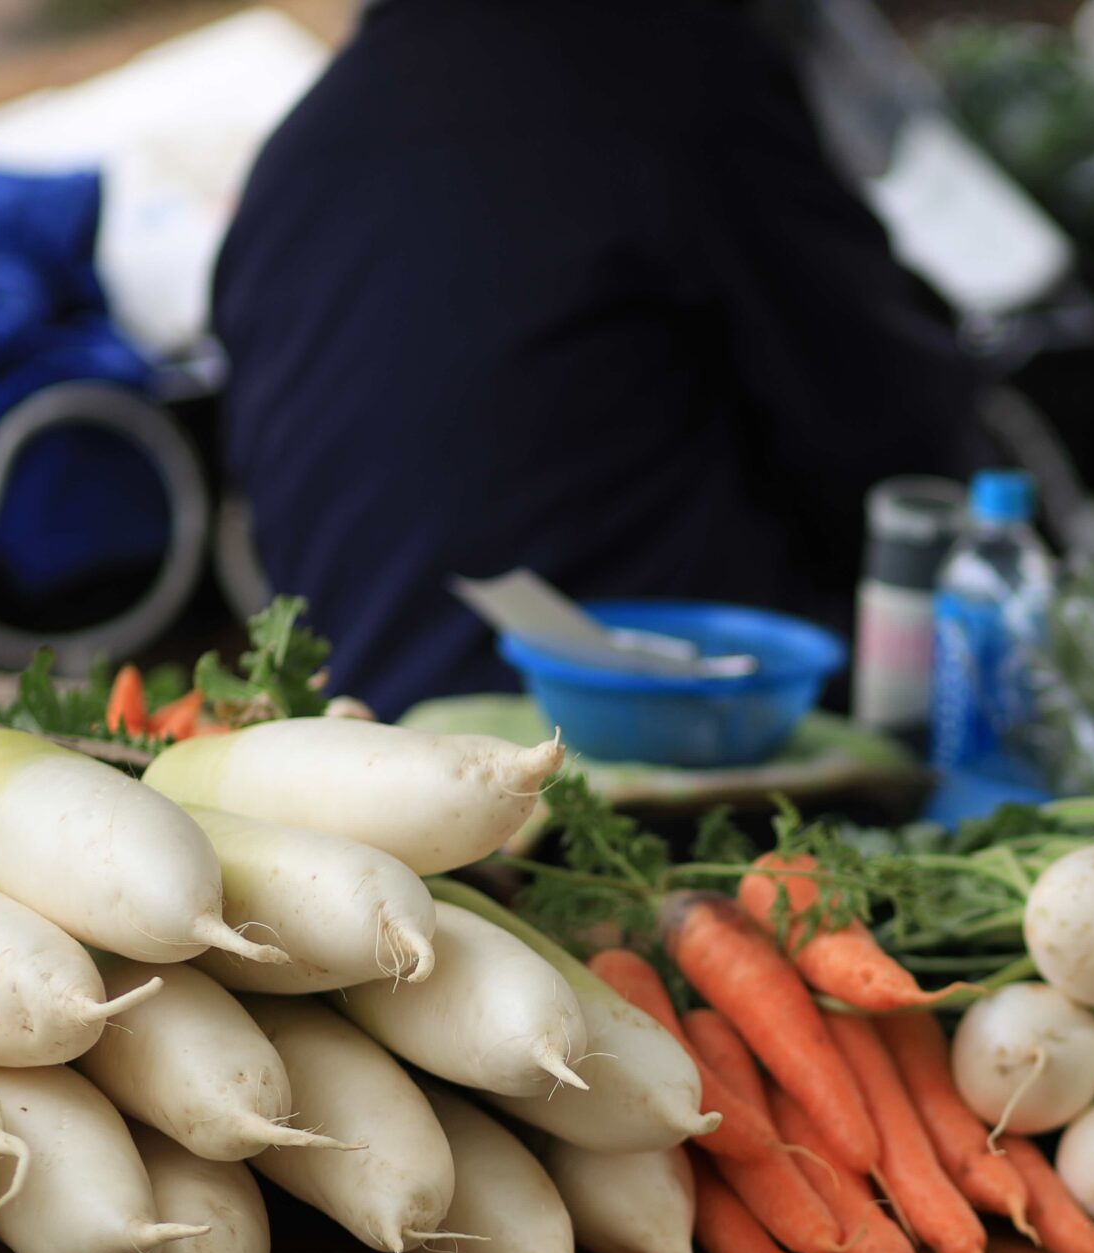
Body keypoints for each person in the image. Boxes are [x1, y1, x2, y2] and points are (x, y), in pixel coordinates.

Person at [213, 0, 984, 718]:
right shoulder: (657, 69)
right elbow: (887, 424)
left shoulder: (291, 160)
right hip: (669, 751)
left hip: (374, 767)